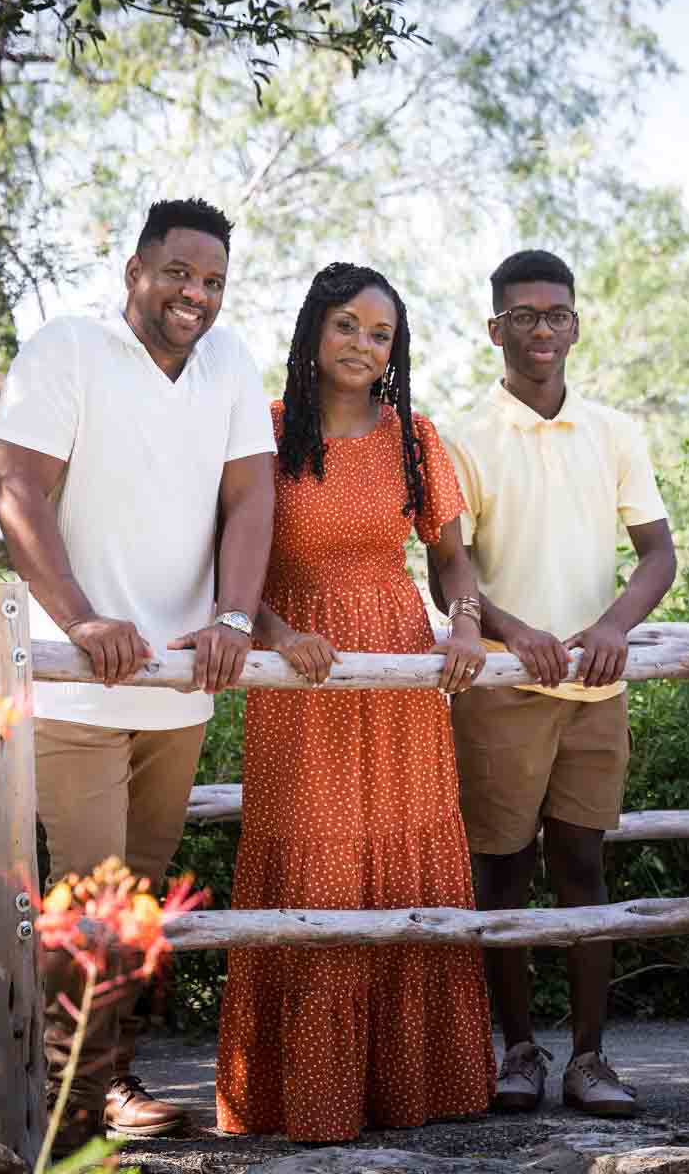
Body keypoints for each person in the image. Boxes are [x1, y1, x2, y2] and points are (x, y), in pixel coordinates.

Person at [0, 197, 275, 1137]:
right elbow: (15, 485)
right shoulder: (66, 350)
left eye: (214, 282)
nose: (196, 294)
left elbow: (249, 501)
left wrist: (235, 615)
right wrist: (79, 618)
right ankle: (67, 1099)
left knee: (140, 897)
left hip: (179, 684)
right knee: (92, 891)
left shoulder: (229, 363)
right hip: (80, 677)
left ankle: (109, 1079)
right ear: (134, 272)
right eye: (180, 274)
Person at [214, 262, 498, 1143]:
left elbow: (451, 560)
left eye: (381, 335)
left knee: (407, 858)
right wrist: (272, 627)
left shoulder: (415, 436)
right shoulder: (260, 432)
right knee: (316, 859)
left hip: (401, 667)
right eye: (347, 326)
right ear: (313, 330)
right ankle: (305, 1095)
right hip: (300, 673)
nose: (363, 346)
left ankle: (418, 1085)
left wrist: (466, 625)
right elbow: (226, 556)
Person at [433, 250, 677, 1119]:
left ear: (577, 324)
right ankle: (519, 1053)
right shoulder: (460, 435)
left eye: (558, 314)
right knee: (502, 869)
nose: (544, 329)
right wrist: (510, 630)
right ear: (495, 328)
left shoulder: (613, 431)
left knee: (582, 864)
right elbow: (447, 566)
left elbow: (659, 554)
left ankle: (590, 1058)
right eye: (525, 316)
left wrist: (613, 626)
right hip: (501, 686)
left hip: (593, 689)